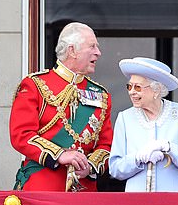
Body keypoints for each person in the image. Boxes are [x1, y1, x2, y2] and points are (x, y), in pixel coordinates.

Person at [9, 22, 113, 191]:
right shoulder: (35, 85)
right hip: (43, 187)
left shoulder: (101, 95)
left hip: (84, 190)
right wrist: (61, 155)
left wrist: (90, 167)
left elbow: (106, 145)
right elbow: (21, 135)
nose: (98, 53)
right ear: (72, 51)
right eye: (92, 46)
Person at [109, 57, 178, 191]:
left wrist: (169, 148)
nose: (131, 91)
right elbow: (115, 169)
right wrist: (138, 157)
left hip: (175, 201)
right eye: (129, 86)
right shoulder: (125, 118)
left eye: (138, 87)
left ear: (156, 90)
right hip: (137, 202)